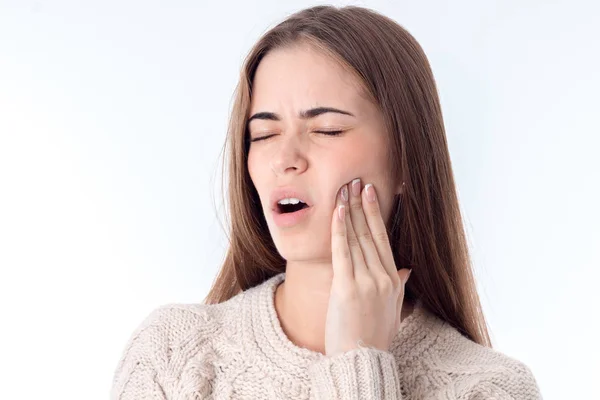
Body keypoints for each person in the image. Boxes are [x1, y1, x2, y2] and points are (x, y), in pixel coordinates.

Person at [110, 5, 542, 399]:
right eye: (263, 135)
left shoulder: (488, 388)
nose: (284, 159)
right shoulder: (171, 353)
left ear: (408, 161)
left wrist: (359, 361)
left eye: (328, 130)